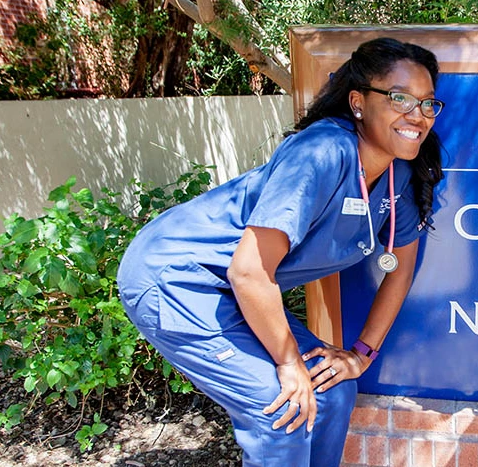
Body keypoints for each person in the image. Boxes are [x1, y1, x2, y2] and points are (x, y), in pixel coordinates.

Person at [116, 37, 445, 466]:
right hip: (176, 277)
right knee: (282, 406)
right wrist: (290, 365)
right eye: (400, 97)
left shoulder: (400, 176)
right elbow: (250, 271)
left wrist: (361, 355)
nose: (416, 115)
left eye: (427, 104)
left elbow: (399, 272)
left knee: (334, 389)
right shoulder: (321, 151)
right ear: (358, 102)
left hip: (237, 289)